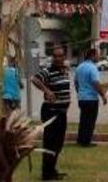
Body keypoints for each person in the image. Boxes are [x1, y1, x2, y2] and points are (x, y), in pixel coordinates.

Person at [32, 46, 71, 181]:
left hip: (61, 113)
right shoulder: (48, 71)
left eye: (60, 56)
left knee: (58, 144)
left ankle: (52, 170)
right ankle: (46, 174)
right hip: (51, 112)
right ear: (52, 57)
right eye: (55, 56)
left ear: (64, 57)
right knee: (50, 143)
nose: (57, 58)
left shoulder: (64, 71)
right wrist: (47, 91)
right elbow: (35, 79)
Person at [74, 48, 107, 147]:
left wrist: (79, 92)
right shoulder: (93, 68)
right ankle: (86, 141)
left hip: (82, 98)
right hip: (91, 99)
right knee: (90, 121)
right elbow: (95, 82)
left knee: (83, 120)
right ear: (92, 56)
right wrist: (103, 95)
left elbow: (76, 82)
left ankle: (80, 139)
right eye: (98, 55)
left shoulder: (79, 67)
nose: (99, 57)